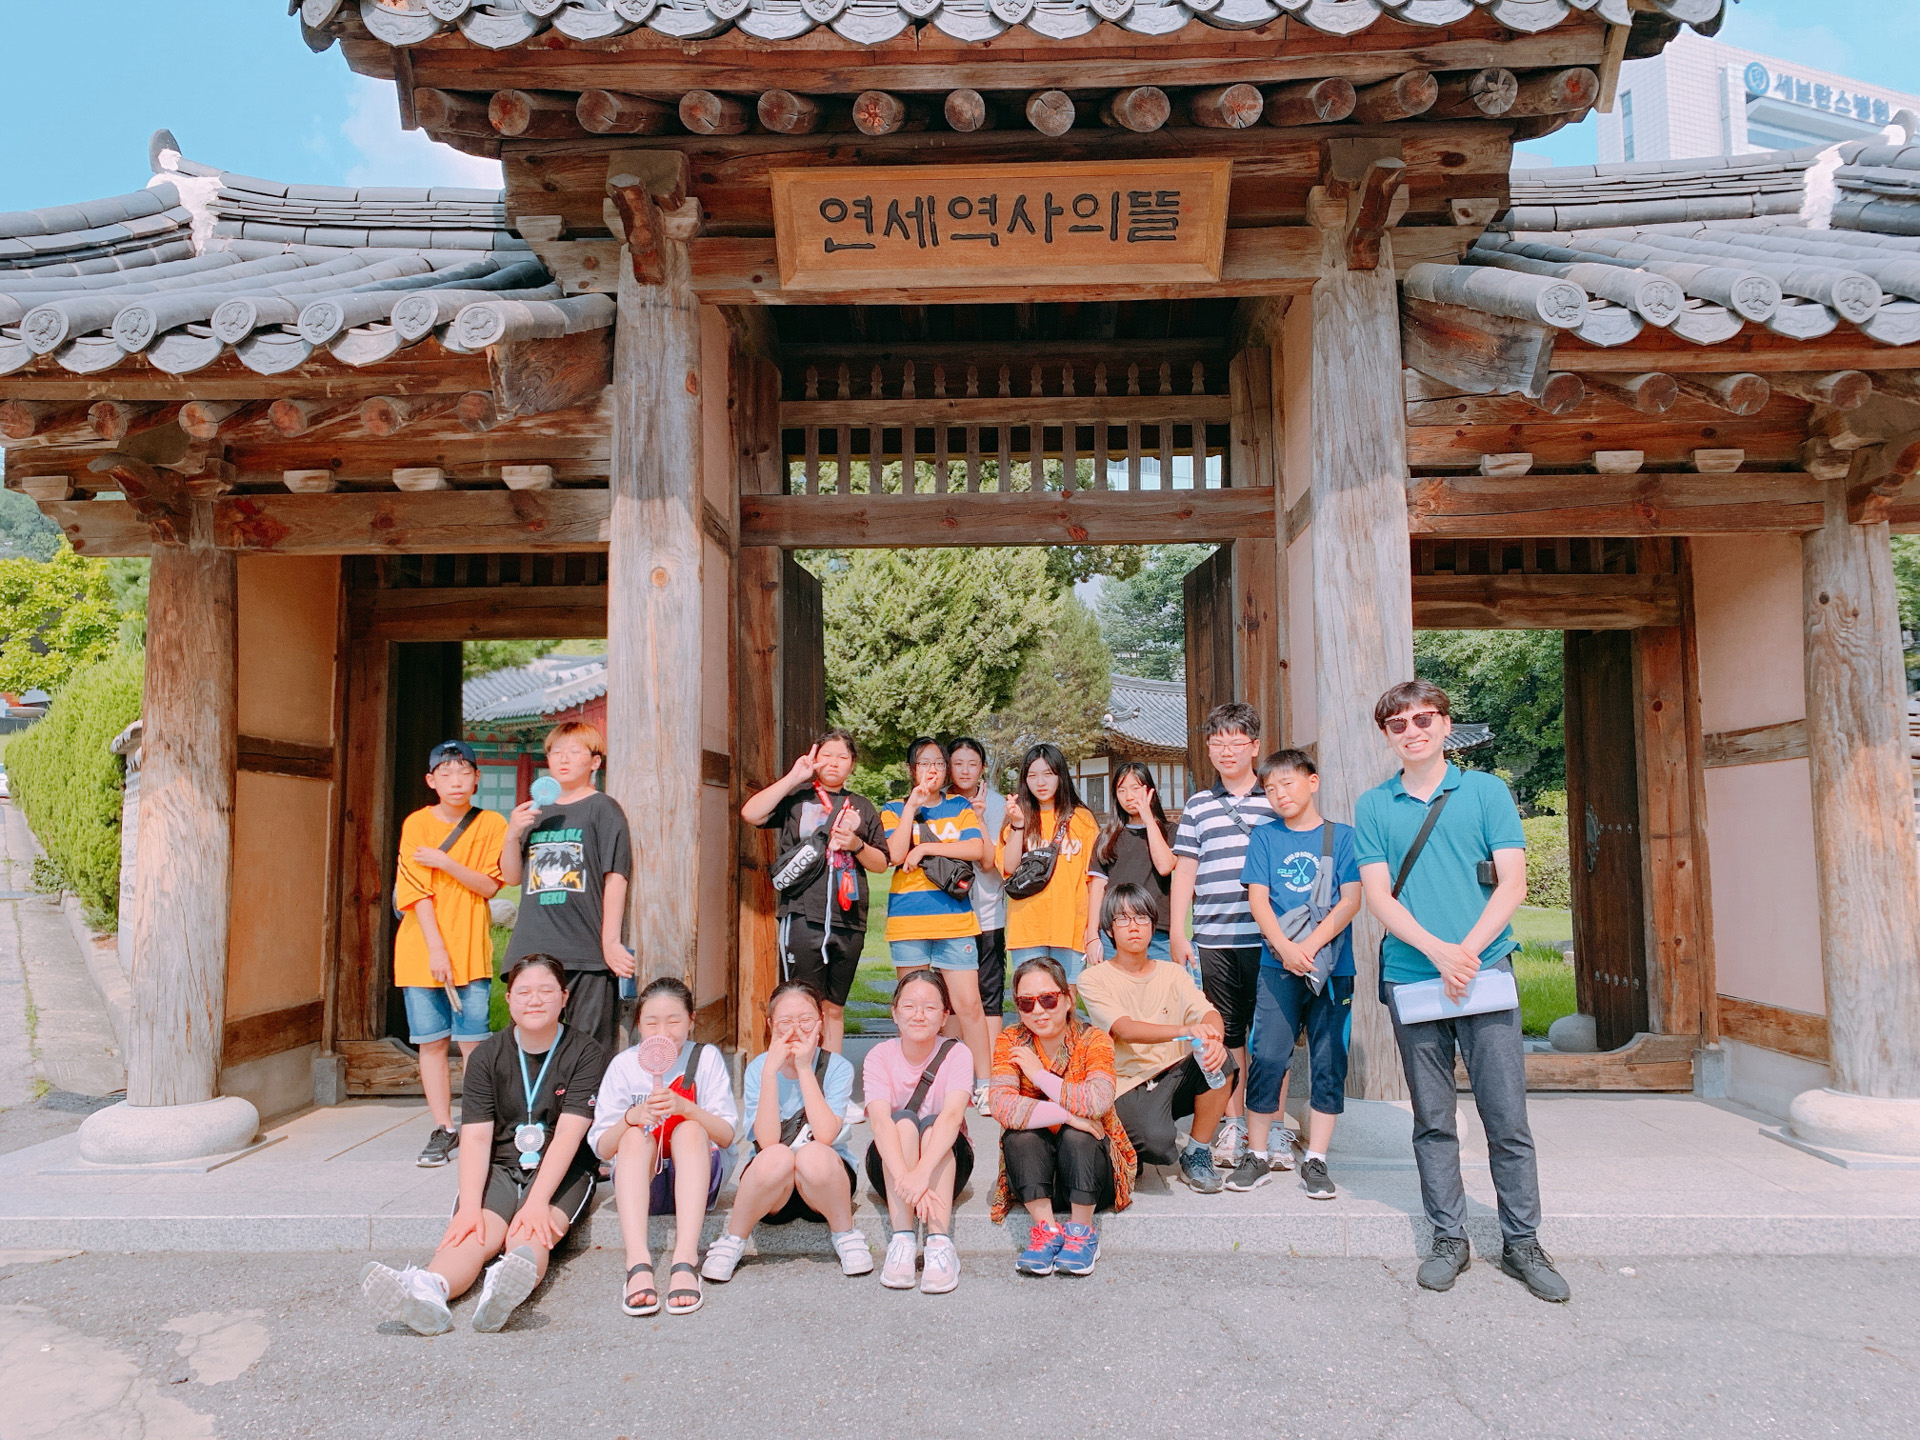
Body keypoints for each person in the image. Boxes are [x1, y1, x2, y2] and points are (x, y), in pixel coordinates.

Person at [1356, 680, 1569, 1304]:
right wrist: (1440, 953)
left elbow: (1512, 884)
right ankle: (1449, 1237)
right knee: (1432, 1117)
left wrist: (1466, 953)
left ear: (1446, 725)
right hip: (1413, 973)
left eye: (1424, 719)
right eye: (1398, 724)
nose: (1413, 731)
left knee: (1506, 1116)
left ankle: (1522, 1241)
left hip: (1486, 970)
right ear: (1387, 736)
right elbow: (1378, 897)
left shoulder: (1485, 791)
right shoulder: (1374, 805)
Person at [358, 955, 609, 1334]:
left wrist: (537, 1201)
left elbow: (569, 1135)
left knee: (530, 1234)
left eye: (546, 991)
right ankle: (427, 1290)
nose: (534, 1000)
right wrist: (470, 1206)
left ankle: (501, 1291)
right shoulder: (487, 1056)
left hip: (565, 1169)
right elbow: (475, 1136)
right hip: (501, 1165)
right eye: (523, 992)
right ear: (508, 999)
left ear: (564, 997)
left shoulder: (586, 1052)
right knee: (473, 1234)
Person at [1233, 749, 1362, 1199]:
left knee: (1329, 1059)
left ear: (1313, 781)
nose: (1279, 795)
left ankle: (1317, 1159)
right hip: (1277, 965)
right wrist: (1286, 949)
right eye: (1270, 789)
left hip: (1332, 968)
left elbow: (1351, 900)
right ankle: (1257, 1154)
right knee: (1268, 1056)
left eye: (1287, 783)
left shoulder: (1342, 837)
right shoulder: (1265, 836)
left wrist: (1307, 947)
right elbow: (1258, 899)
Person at [702, 981, 872, 1284]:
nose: (796, 1030)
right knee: (777, 1155)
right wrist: (770, 1072)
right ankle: (732, 1240)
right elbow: (767, 1142)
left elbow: (825, 1136)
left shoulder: (838, 1067)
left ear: (820, 1022)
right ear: (770, 1025)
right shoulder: (758, 1068)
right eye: (785, 1022)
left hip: (824, 1183)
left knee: (814, 1154)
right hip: (772, 1187)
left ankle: (845, 1233)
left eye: (806, 1020)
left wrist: (805, 1069)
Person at [589, 976, 738, 1316]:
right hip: (642, 1184)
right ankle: (637, 1263)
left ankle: (685, 1259)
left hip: (700, 1180)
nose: (663, 1032)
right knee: (634, 1135)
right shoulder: (624, 1065)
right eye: (652, 1022)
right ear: (638, 1024)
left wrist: (687, 1108)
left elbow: (727, 1135)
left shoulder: (706, 1058)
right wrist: (631, 1117)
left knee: (690, 1131)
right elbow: (603, 1149)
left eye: (674, 1021)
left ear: (691, 1020)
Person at [1169, 701, 1276, 1170]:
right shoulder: (1198, 805)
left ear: (1255, 746)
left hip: (1269, 939)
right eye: (1217, 742)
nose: (1226, 751)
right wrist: (1179, 931)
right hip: (1214, 937)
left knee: (1270, 1037)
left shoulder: (1275, 799)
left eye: (1236, 742)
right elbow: (1185, 871)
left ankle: (1269, 1125)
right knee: (1227, 1033)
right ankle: (1233, 1123)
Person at [392, 739, 507, 1168]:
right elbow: (415, 892)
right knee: (432, 1042)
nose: (455, 781)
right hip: (421, 949)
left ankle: (478, 1122)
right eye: (446, 774)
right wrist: (436, 950)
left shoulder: (491, 823)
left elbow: (489, 885)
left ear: (477, 777)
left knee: (473, 1042)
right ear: (431, 780)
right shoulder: (417, 823)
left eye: (464, 773)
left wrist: (445, 862)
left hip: (470, 947)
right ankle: (443, 1126)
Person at [1077, 883, 1234, 1194]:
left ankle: (1198, 1151)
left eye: (1142, 918)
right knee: (1156, 1143)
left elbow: (1207, 1012)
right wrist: (1185, 1031)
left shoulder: (1173, 973)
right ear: (1109, 929)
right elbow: (1125, 1029)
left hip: (1171, 1076)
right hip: (1127, 1084)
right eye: (1123, 919)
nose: (1134, 926)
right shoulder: (1093, 978)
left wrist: (1214, 1038)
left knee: (1221, 1058)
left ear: (1152, 924)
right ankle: (1128, 1145)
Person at [740, 728, 889, 1056]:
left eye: (843, 757)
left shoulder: (861, 806)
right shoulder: (797, 799)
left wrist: (856, 844)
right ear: (815, 759)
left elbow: (881, 863)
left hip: (848, 919)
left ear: (852, 764)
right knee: (800, 1005)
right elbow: (750, 813)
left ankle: (830, 1078)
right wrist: (795, 777)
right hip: (802, 914)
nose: (834, 762)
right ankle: (797, 1075)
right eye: (827, 755)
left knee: (834, 1008)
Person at [988, 956, 1135, 1278]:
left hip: (1092, 1178)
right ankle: (1047, 1232)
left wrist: (1039, 1076)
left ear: (1068, 999)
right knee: (1020, 1135)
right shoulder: (1010, 1040)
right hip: (1035, 1180)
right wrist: (1068, 1115)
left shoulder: (1094, 1039)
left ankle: (1082, 1233)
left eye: (1048, 999)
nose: (1038, 1010)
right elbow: (1000, 1104)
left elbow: (1098, 1100)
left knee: (1079, 1135)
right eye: (1026, 1003)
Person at [500, 721, 633, 1055]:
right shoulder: (536, 812)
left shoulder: (603, 808)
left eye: (574, 751)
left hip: (584, 948)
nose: (563, 758)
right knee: (532, 1043)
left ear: (595, 762)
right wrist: (511, 834)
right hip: (532, 947)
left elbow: (615, 876)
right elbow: (512, 877)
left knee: (588, 1047)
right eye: (556, 751)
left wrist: (610, 941)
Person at [882, 737, 991, 1105]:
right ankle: (914, 1082)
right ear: (911, 769)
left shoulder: (958, 805)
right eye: (924, 763)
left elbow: (975, 849)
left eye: (938, 763)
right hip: (908, 922)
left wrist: (927, 847)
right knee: (914, 1006)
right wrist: (912, 806)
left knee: (968, 1005)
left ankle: (985, 1083)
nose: (932, 769)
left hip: (955, 922)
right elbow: (894, 854)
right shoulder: (893, 809)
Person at [862, 969, 976, 1294]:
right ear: (894, 1012)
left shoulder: (958, 1053)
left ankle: (939, 1243)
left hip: (947, 1164)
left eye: (929, 1007)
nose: (919, 1015)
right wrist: (908, 1179)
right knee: (902, 1121)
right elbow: (880, 1122)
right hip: (892, 1167)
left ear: (944, 1016)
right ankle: (902, 1240)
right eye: (909, 1006)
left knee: (933, 1125)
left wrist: (921, 1174)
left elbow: (953, 1117)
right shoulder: (879, 1056)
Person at [1000, 742, 1105, 987]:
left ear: (1061, 776)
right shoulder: (1018, 817)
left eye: (1048, 773)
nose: (1041, 782)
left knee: (1066, 999)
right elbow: (1009, 867)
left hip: (1070, 928)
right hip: (1027, 928)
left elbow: (1094, 880)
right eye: (1033, 775)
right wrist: (1017, 824)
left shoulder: (1082, 819)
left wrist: (1092, 932)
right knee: (1031, 998)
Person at [947, 736, 1010, 1107]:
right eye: (958, 763)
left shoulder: (998, 804)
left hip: (987, 913)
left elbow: (990, 862)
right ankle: (952, 1076)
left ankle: (989, 1080)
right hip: (946, 915)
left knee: (989, 996)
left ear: (983, 768)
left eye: (972, 763)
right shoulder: (941, 802)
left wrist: (981, 817)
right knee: (951, 999)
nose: (965, 770)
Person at [1095, 762, 1175, 963]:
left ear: (1150, 791)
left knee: (1161, 983)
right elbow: (1097, 887)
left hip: (1158, 931)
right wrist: (1091, 935)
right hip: (1115, 930)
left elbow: (1165, 867)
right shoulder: (1108, 836)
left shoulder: (1170, 831)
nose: (1129, 796)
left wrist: (1149, 820)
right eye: (1121, 790)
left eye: (1135, 788)